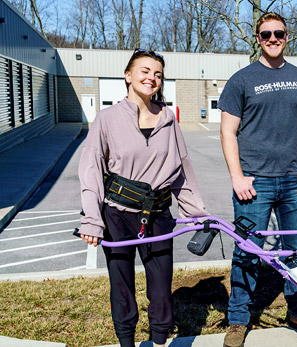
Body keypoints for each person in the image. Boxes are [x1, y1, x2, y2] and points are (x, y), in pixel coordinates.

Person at [78, 48, 209, 347]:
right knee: (121, 286)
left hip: (159, 215)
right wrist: (92, 220)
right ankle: (126, 342)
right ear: (128, 76)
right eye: (145, 71)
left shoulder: (168, 120)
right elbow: (91, 169)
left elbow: (182, 169)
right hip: (117, 214)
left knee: (161, 289)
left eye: (158, 74)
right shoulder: (107, 118)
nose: (152, 78)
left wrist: (197, 214)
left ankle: (159, 341)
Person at [217, 12, 297, 347]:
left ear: (287, 36)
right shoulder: (241, 80)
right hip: (254, 185)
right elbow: (227, 131)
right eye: (266, 34)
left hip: (296, 182)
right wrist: (237, 176)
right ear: (258, 38)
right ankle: (238, 320)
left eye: (278, 33)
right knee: (247, 252)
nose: (273, 39)